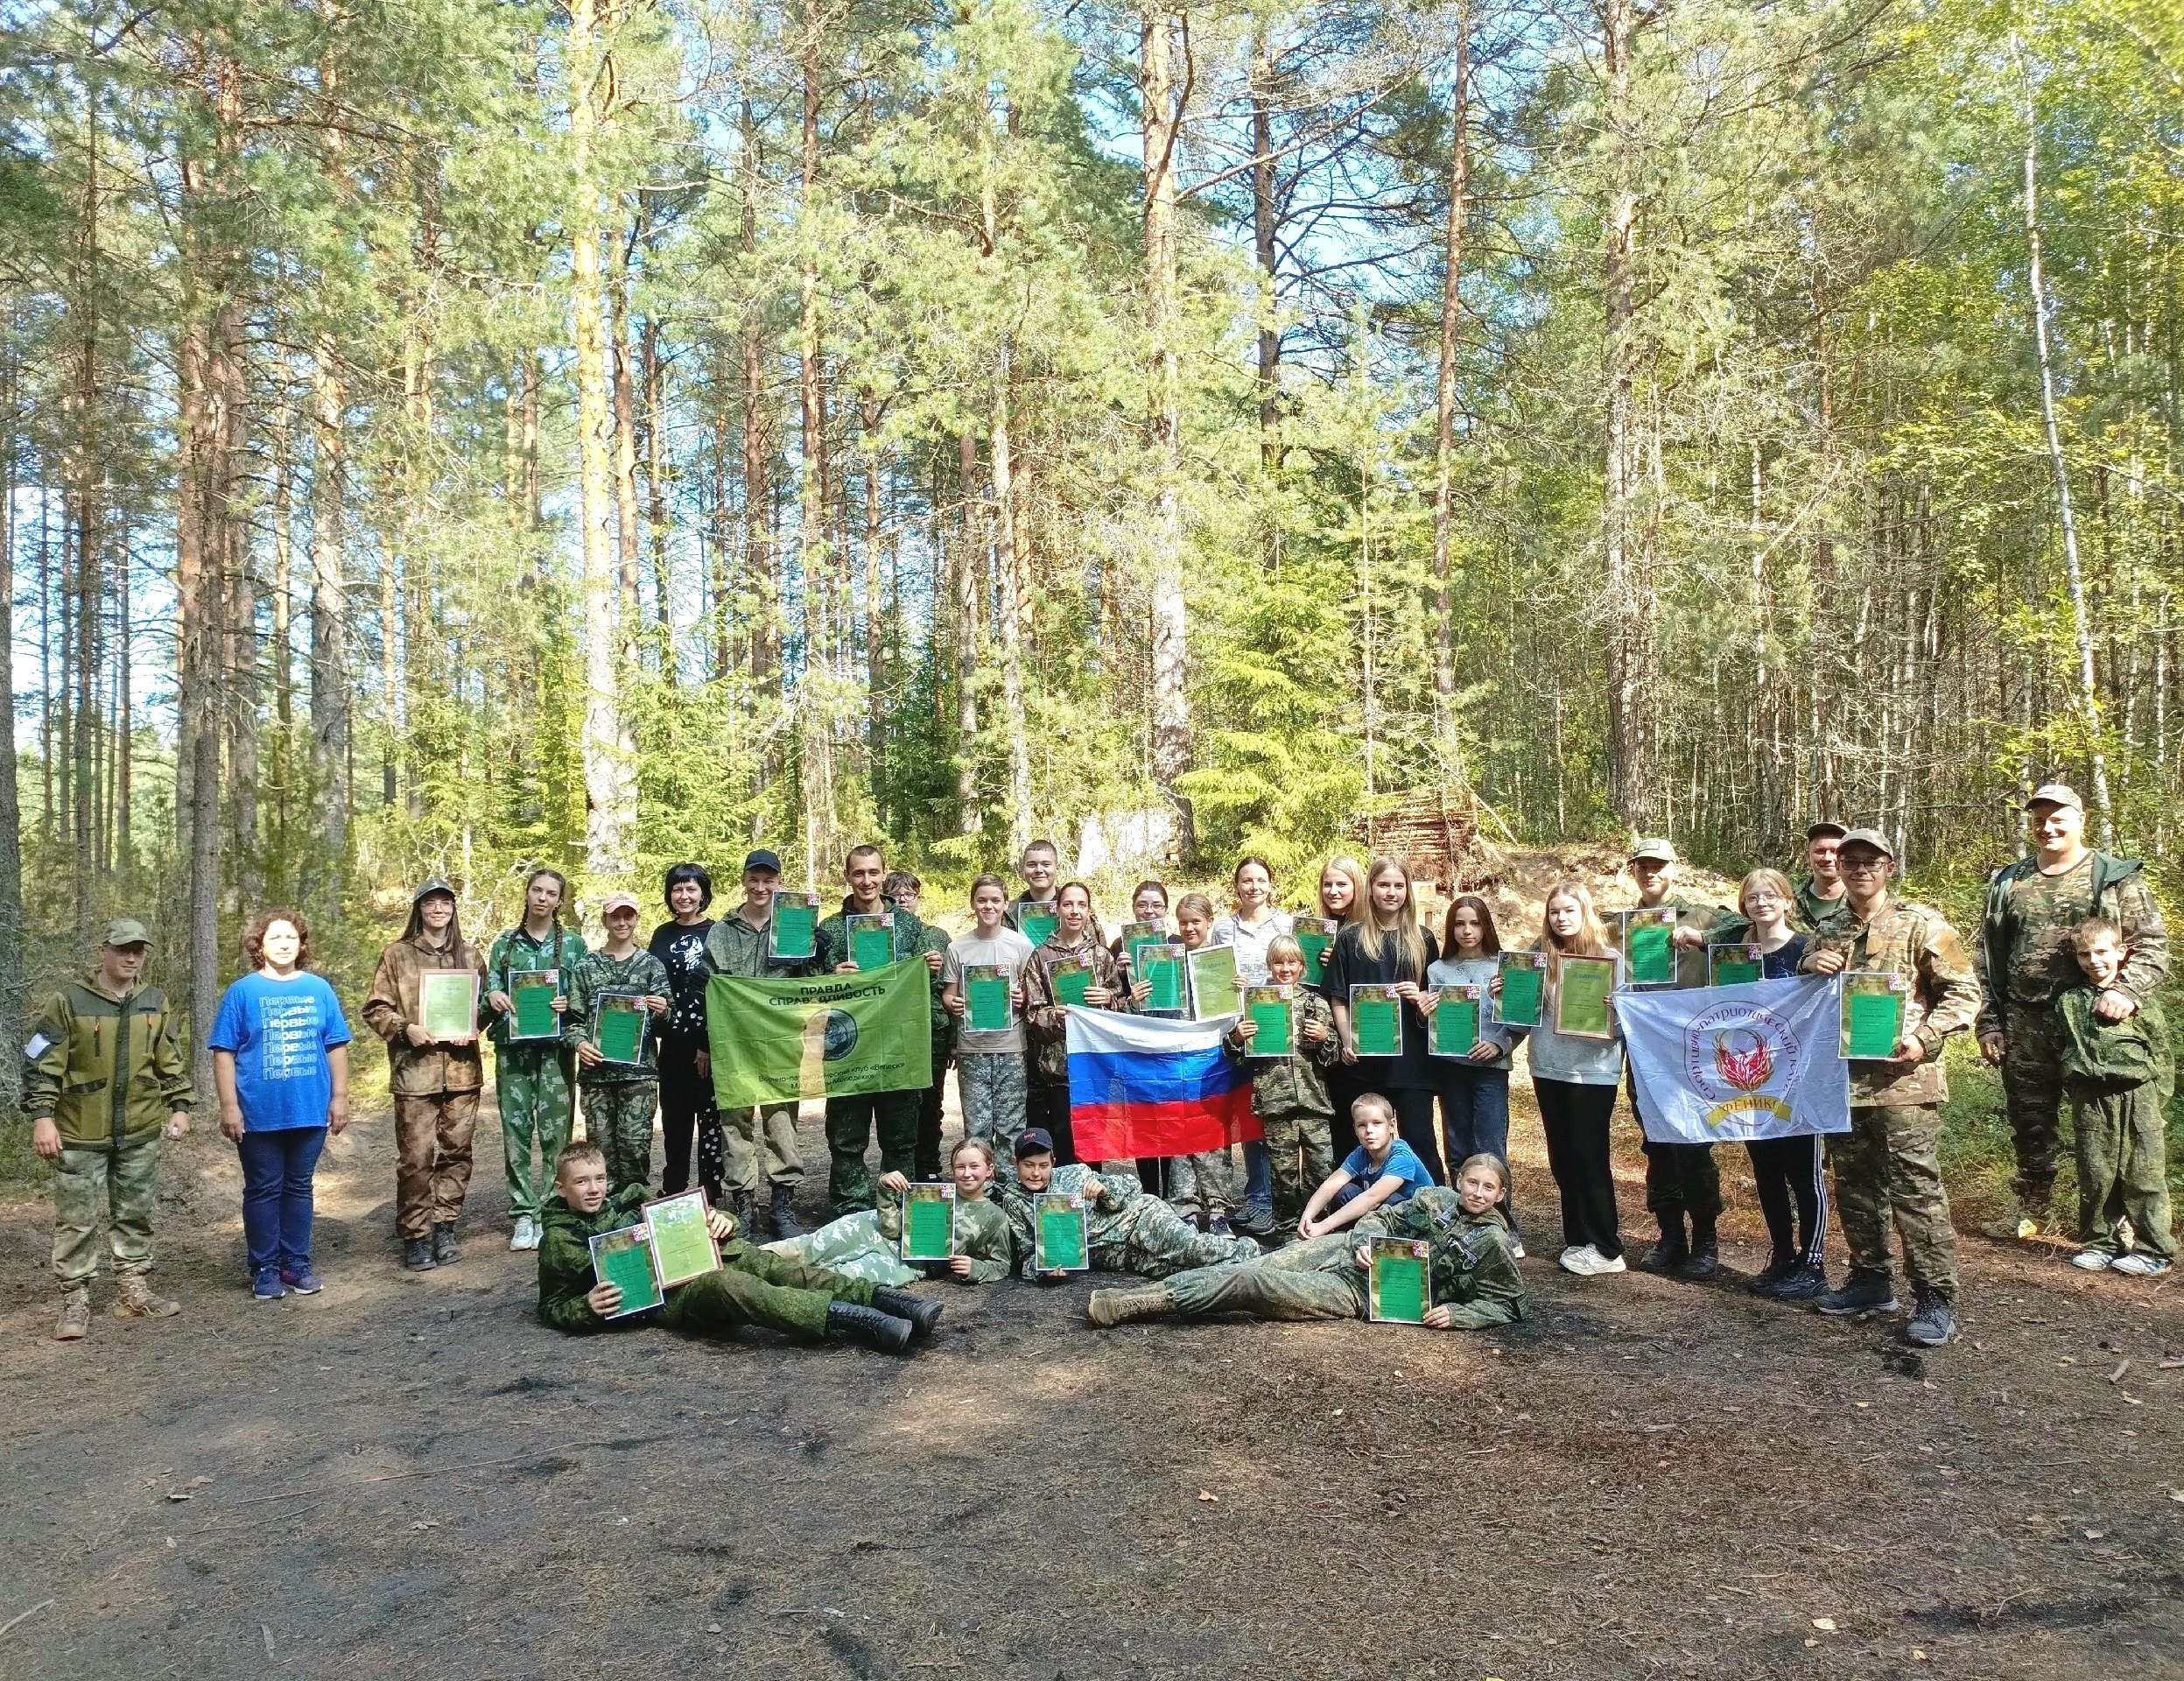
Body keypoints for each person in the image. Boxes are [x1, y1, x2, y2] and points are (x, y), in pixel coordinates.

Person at [1801, 828, 1980, 1347]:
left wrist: (1924, 1037)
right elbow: (1804, 1001)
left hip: (1906, 1083)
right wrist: (1807, 964)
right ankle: (1870, 1279)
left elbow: (1965, 991)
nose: (1858, 869)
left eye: (1869, 861)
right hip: (1845, 1082)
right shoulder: (1828, 928)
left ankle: (1934, 1296)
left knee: (1916, 1191)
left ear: (1889, 865)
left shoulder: (1921, 923)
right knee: (1856, 1186)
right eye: (1849, 860)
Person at [1974, 784, 2169, 1240]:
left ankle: (2117, 1221)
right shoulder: (2010, 882)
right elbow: (1987, 958)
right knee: (2030, 1121)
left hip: (2097, 1024)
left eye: (2058, 817)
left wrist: (2125, 990)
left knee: (2108, 1124)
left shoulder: (2112, 876)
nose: (2048, 827)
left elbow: (2153, 945)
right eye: (2039, 819)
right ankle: (2033, 1210)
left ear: (2081, 819)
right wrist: (1989, 1021)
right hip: (2026, 1022)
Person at [534, 1142, 937, 1354]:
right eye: (582, 1182)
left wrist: (718, 1222)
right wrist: (585, 1308)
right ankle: (861, 1321)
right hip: (670, 1298)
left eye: (599, 1178)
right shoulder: (559, 1239)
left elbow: (682, 1221)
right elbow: (551, 1306)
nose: (594, 1189)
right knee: (737, 1287)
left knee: (781, 1268)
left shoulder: (631, 1199)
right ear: (561, 1188)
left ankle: (888, 1302)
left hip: (706, 1254)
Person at [1085, 1164, 1528, 1332]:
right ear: (1459, 1181)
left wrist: (1462, 1315)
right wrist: (1363, 1240)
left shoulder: (1493, 1242)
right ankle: (1135, 1298)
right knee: (1266, 1260)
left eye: (1489, 1188)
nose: (1477, 1192)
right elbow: (1383, 1215)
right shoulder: (1435, 1198)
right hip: (1343, 1252)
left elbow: (1510, 1304)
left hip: (1360, 1295)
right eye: (1472, 1182)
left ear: (1501, 1194)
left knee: (1254, 1281)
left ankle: (1147, 1304)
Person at [26, 918, 193, 1340]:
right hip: (78, 1130)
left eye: (138, 949)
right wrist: (42, 1117)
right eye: (122, 949)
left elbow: (168, 1058)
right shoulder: (68, 1001)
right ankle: (75, 1300)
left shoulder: (155, 1001)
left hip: (139, 1128)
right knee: (77, 1219)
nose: (131, 957)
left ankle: (132, 1292)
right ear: (104, 951)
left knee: (134, 1212)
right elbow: (41, 1062)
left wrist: (180, 1105)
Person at [208, 910, 352, 1301]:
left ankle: (295, 1263)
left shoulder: (320, 989)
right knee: (263, 1188)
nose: (284, 944)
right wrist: (229, 1106)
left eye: (291, 937)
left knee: (299, 1186)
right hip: (258, 1111)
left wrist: (339, 1097)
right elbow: (223, 1052)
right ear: (260, 946)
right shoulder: (243, 992)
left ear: (301, 944)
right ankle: (264, 1268)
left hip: (309, 1109)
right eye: (275, 938)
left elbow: (336, 1045)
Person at [1626, 837, 1748, 1278]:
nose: (1651, 873)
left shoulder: (1701, 915)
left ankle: (1706, 1238)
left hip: (1694, 1052)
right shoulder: (1627, 923)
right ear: (1633, 870)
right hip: (1643, 1053)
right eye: (1642, 865)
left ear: (1674, 869)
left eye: (1658, 865)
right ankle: (1670, 1235)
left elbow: (1749, 924)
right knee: (1657, 1145)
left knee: (1694, 1145)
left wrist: (1703, 936)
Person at [363, 878, 488, 1272]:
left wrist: (480, 1021)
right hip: (415, 1074)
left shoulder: (469, 955)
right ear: (418, 909)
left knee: (457, 1153)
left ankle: (445, 1224)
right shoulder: (397, 955)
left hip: (462, 1072)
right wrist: (405, 1029)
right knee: (417, 1158)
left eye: (445, 903)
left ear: (453, 909)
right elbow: (375, 1008)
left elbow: (480, 1009)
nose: (438, 909)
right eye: (430, 903)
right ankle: (416, 1234)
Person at [814, 845, 944, 1216]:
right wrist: (830, 976)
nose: (866, 881)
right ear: (847, 877)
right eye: (859, 873)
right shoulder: (830, 931)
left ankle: (898, 1208)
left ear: (884, 874)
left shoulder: (909, 926)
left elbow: (931, 986)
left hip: (898, 1049)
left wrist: (930, 966)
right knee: (846, 1137)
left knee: (902, 1136)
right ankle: (850, 1207)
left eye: (873, 872)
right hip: (848, 1049)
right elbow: (806, 988)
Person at [702, 849, 814, 1240]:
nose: (761, 887)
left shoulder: (794, 924)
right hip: (734, 1043)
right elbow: (711, 989)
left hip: (781, 1041)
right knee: (735, 1124)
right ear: (744, 881)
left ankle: (782, 1204)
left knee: (781, 1121)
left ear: (779, 882)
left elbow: (810, 981)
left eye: (769, 880)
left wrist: (815, 950)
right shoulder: (722, 930)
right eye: (755, 879)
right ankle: (744, 1205)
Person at [1521, 879, 1627, 1277]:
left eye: (1569, 910)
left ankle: (1607, 1247)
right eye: (1554, 912)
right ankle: (1579, 1239)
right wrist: (1504, 992)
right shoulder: (1540, 958)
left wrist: (1614, 1011)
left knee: (1589, 1157)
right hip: (1548, 1067)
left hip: (1592, 1073)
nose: (1561, 918)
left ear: (1585, 913)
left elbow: (1626, 1025)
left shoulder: (1609, 959)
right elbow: (1523, 1012)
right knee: (1562, 1158)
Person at [2057, 918, 2175, 1276]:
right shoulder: (2069, 1001)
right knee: (2096, 1171)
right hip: (2090, 1098)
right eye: (2084, 954)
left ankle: (2154, 1249)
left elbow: (2162, 1054)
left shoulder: (2138, 999)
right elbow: (2066, 1046)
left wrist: (2159, 1102)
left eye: (2102, 952)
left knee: (2144, 1174)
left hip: (2138, 1096)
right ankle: (2100, 1243)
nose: (2094, 961)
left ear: (2122, 952)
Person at [1732, 869, 1827, 1301]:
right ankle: (1782, 1256)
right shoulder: (1736, 953)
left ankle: (1813, 1264)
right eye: (1752, 897)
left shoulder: (1808, 946)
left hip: (1801, 1082)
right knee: (1766, 1173)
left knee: (1804, 1176)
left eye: (1770, 895)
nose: (1761, 902)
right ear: (1743, 905)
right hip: (1753, 1082)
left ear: (1788, 901)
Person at [996, 1129, 1262, 1281]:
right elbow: (1027, 1256)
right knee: (1184, 1269)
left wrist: (1105, 1189)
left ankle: (1256, 1253)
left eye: (1043, 1165)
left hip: (1139, 1219)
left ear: (1053, 1162)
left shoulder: (1074, 1174)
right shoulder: (1014, 1202)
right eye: (1028, 1166)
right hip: (1117, 1254)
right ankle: (1256, 1270)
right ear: (1015, 1163)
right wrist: (1045, 1273)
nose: (1035, 1173)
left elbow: (1132, 1186)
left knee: (1193, 1248)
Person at [1321, 855, 1443, 1185]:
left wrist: (1419, 1001)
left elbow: (1434, 1006)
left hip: (1411, 1062)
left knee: (1420, 1141)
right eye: (1383, 885)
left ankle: (1434, 1211)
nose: (1391, 892)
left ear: (1408, 891)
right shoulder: (1351, 937)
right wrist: (1347, 1041)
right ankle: (1360, 1216)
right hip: (1364, 1061)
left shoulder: (1424, 939)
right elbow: (1338, 996)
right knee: (1361, 1145)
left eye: (1398, 886)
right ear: (1371, 889)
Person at [484, 867, 587, 1251]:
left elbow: (586, 995)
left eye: (551, 893)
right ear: (527, 894)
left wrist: (569, 1002)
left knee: (555, 1135)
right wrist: (493, 998)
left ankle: (550, 1211)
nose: (543, 898)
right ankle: (523, 1213)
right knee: (516, 1133)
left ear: (560, 901)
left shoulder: (574, 945)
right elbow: (488, 990)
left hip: (556, 1054)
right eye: (536, 890)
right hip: (514, 1053)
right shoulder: (505, 944)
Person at [765, 1140, 1016, 1286]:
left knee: (837, 1278)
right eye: (960, 1167)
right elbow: (892, 1229)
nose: (967, 1173)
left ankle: (763, 1282)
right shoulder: (933, 1194)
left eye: (975, 1166)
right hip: (871, 1228)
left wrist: (976, 1268)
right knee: (807, 1248)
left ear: (990, 1170)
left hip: (908, 1264)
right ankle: (744, 1259)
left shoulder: (995, 1217)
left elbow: (1002, 1264)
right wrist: (885, 1188)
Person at [1418, 894, 1520, 1252]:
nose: (1466, 930)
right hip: (1451, 1070)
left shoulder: (1504, 967)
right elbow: (1429, 1023)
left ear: (1486, 926)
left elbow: (1522, 1019)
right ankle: (1465, 1224)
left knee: (1490, 1148)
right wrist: (1424, 1011)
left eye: (1474, 923)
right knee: (1458, 1149)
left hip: (1490, 1071)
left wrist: (1500, 1045)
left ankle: (1504, 1227)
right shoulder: (1437, 970)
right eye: (1459, 924)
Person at [1221, 933, 1338, 1228]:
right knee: (1283, 1173)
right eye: (1278, 962)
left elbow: (1332, 1055)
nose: (1285, 969)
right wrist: (1238, 1037)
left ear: (1302, 965)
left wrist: (1325, 1038)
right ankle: (1286, 1228)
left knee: (1321, 1167)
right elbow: (1235, 1054)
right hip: (1275, 1102)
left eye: (1292, 962)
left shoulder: (1316, 1003)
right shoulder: (1256, 1002)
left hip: (1313, 1100)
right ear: (1269, 965)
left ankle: (1318, 1224)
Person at [565, 891, 671, 1198]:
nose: (622, 922)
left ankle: (635, 1212)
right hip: (597, 1076)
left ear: (636, 919)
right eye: (615, 916)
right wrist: (580, 1043)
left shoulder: (651, 965)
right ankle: (605, 1219)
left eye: (628, 916)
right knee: (599, 1153)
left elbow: (668, 1020)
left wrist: (663, 1010)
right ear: (605, 920)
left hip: (639, 1076)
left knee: (636, 1148)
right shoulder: (587, 966)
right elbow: (573, 1018)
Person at [1023, 881, 1132, 1166]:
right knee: (1063, 1139)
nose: (1074, 911)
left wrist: (1108, 997)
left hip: (1095, 1067)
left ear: (1089, 910)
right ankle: (1066, 1204)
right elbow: (1032, 1012)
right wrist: (1053, 1016)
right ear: (1057, 908)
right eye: (1068, 904)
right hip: (1059, 1069)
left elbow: (1121, 1007)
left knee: (1093, 1143)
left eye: (1081, 905)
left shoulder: (1101, 955)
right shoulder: (1041, 956)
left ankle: (1091, 1202)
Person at [1211, 857, 1290, 1233]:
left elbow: (1300, 971)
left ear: (1271, 885)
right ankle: (1257, 1196)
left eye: (1261, 879)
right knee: (1249, 1117)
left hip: (1278, 1035)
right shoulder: (1222, 929)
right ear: (1236, 885)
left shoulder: (1287, 924)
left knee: (1277, 1121)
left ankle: (1278, 1199)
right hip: (1239, 1034)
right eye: (1246, 880)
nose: (1254, 886)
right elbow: (1209, 977)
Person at [942, 875, 1037, 1182]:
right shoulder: (958, 947)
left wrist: (1022, 998)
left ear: (1005, 903)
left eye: (995, 900)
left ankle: (1010, 1191)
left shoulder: (1020, 945)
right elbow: (948, 993)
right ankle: (980, 1193)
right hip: (972, 1049)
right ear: (973, 903)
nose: (989, 906)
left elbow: (1032, 992)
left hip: (1011, 1046)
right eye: (982, 900)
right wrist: (952, 1003)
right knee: (977, 1126)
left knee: (1011, 1126)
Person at [1158, 892, 1239, 1231]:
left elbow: (1240, 1012)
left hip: (1213, 1059)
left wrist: (1240, 989)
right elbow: (1155, 1012)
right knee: (1179, 1130)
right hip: (1176, 1058)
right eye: (1183, 922)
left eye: (1196, 922)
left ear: (1209, 921)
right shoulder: (1166, 962)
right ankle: (1185, 1207)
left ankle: (1218, 1208)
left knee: (1213, 1131)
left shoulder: (1222, 961)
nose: (1190, 928)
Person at [649, 862, 722, 1202]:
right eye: (678, 889)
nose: (684, 896)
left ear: (703, 894)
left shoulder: (717, 933)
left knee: (710, 1124)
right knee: (675, 1124)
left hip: (707, 1045)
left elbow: (721, 990)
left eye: (691, 889)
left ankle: (710, 1191)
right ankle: (675, 1190)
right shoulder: (661, 935)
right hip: (672, 1045)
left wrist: (706, 1044)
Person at [884, 869, 954, 1182]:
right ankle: (902, 1172)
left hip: (932, 1033)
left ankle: (929, 1169)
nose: (902, 900)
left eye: (908, 895)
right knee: (898, 1109)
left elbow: (954, 989)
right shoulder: (878, 936)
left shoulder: (937, 936)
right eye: (895, 895)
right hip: (892, 1033)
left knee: (931, 1105)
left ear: (918, 898)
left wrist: (953, 1039)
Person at [1296, 1094, 1436, 1238]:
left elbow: (1373, 1198)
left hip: (1421, 1223)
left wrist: (1324, 1226)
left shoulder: (1402, 1156)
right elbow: (1331, 1184)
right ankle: (1352, 1238)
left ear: (1392, 1126)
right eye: (1362, 1125)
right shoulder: (1361, 1153)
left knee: (1389, 1201)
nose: (1369, 1130)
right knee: (1345, 1192)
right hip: (1386, 1215)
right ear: (1355, 1129)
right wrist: (1307, 1216)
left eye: (1377, 1123)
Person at [1795, 821, 1849, 931]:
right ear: (1807, 857)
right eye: (1820, 851)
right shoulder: (1788, 903)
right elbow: (1754, 938)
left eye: (1835, 852)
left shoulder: (1863, 903)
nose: (1827, 858)